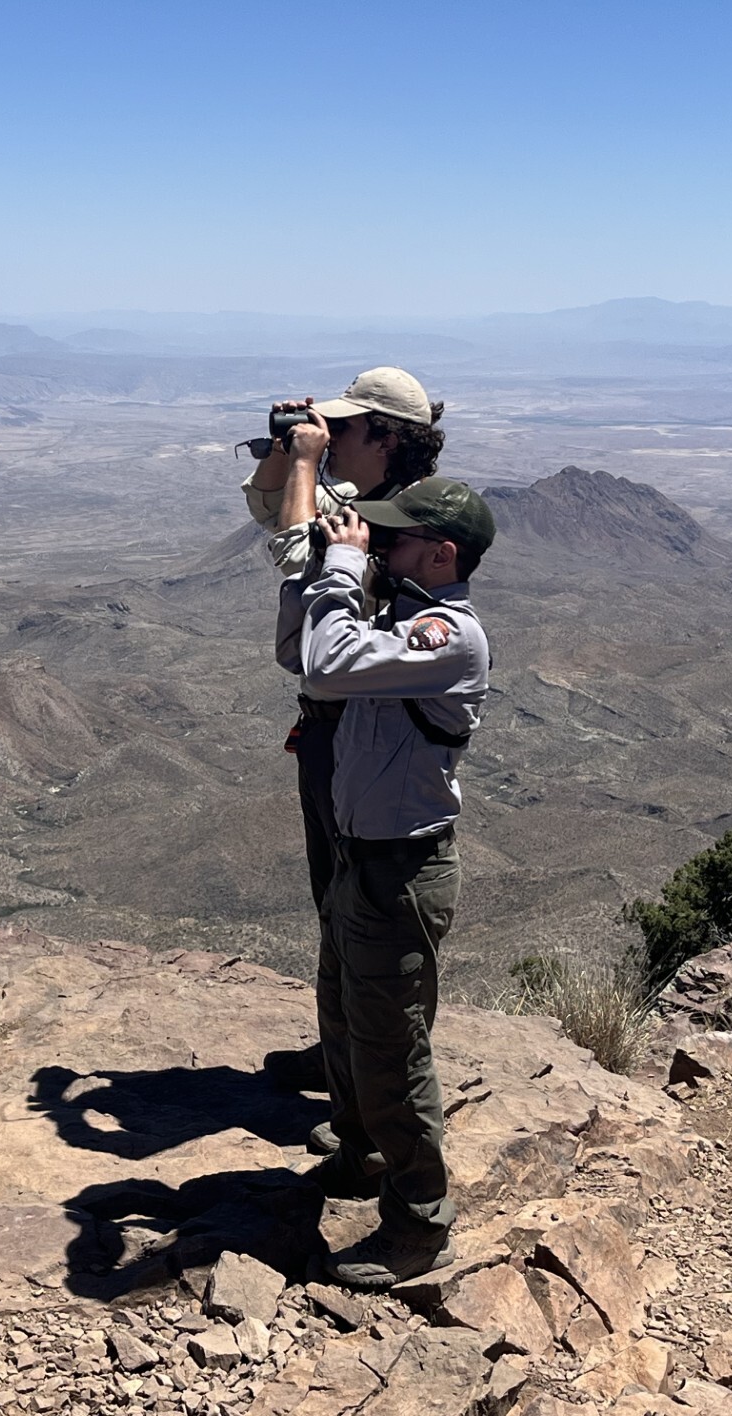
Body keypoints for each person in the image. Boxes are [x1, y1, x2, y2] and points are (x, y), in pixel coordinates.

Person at [274, 476, 495, 1288]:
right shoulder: (395, 619)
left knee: (393, 1048)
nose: (380, 547)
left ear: (442, 555)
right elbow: (300, 651)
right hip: (360, 856)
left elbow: (328, 667)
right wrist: (316, 566)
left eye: (396, 540)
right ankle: (360, 1154)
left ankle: (417, 1226)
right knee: (343, 1014)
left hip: (403, 869)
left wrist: (338, 567)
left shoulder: (449, 636)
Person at [242, 369, 445, 1101]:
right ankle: (342, 1052)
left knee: (370, 910)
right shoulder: (361, 502)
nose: (331, 442)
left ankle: (374, 1078)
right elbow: (271, 507)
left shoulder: (411, 520)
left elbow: (298, 557)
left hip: (372, 735)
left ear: (387, 439)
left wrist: (302, 464)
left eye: (346, 430)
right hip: (331, 727)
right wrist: (283, 453)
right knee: (334, 899)